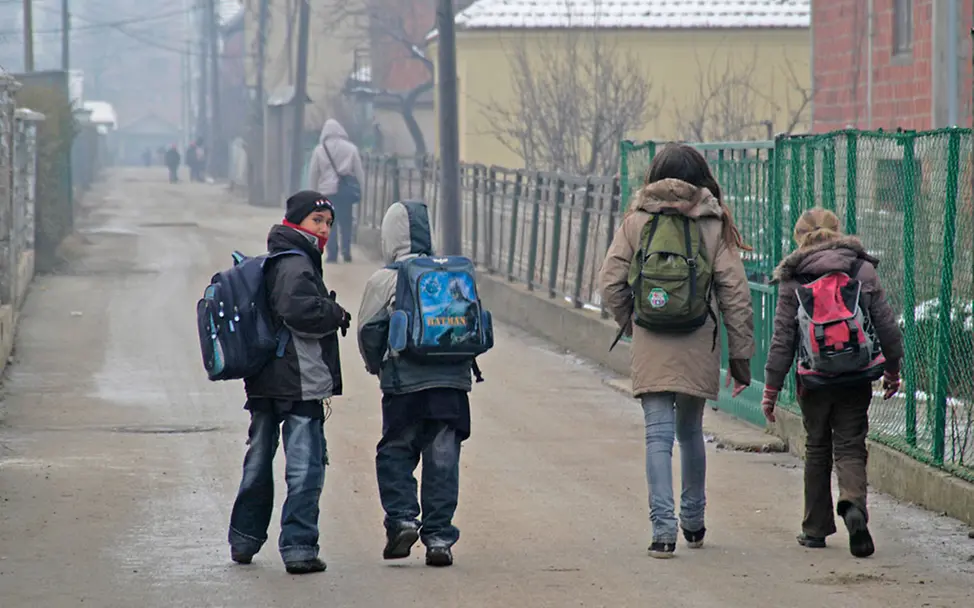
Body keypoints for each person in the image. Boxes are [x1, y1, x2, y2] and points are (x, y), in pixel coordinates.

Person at [599, 144, 755, 559]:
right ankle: (694, 521)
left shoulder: (637, 220)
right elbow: (735, 293)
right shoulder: (712, 221)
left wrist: (635, 322)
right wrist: (740, 355)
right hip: (698, 337)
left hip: (652, 337)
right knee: (690, 432)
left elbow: (611, 282)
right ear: (701, 177)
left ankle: (662, 532)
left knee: (657, 436)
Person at [762, 208, 903, 558]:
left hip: (814, 379)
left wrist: (770, 389)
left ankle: (815, 529)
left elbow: (783, 340)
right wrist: (892, 369)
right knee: (851, 444)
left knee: (818, 447)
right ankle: (853, 505)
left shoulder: (794, 278)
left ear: (800, 238)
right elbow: (887, 327)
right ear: (838, 231)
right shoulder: (861, 268)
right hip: (856, 375)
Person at [228, 191, 353, 575]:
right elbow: (298, 309)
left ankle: (244, 539)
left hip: (265, 379)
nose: (324, 229)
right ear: (296, 222)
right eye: (317, 220)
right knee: (305, 466)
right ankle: (298, 547)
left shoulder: (277, 258)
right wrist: (334, 311)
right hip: (298, 380)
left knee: (258, 461)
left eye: (329, 223)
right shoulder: (297, 263)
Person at [357, 200, 472, 568]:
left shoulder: (384, 279)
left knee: (395, 452)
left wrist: (378, 367)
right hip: (451, 387)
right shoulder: (453, 272)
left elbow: (368, 332)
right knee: (443, 461)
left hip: (404, 387)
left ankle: (404, 518)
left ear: (389, 237)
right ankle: (439, 538)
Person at [307, 119, 365, 264]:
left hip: (327, 192)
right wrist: (361, 190)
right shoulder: (351, 148)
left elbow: (314, 173)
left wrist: (312, 194)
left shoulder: (319, 150)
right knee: (346, 221)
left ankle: (332, 254)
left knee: (328, 223)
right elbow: (359, 172)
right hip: (345, 192)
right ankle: (346, 252)